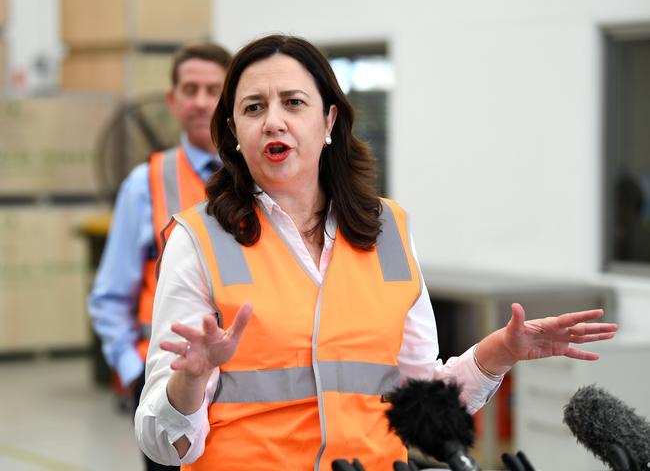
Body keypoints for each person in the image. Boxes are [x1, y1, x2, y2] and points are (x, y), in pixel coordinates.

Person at [134, 35, 618, 470]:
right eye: (254, 108)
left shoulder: (386, 230)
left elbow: (418, 400)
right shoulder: (200, 238)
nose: (273, 120)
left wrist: (498, 354)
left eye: (293, 102)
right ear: (235, 133)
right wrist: (189, 382)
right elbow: (162, 443)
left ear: (329, 120)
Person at [88, 42, 231, 471]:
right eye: (190, 88)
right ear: (172, 100)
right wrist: (134, 373)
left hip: (245, 388)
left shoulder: (264, 179)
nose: (201, 101)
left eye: (213, 89)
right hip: (169, 388)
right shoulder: (143, 183)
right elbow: (110, 295)